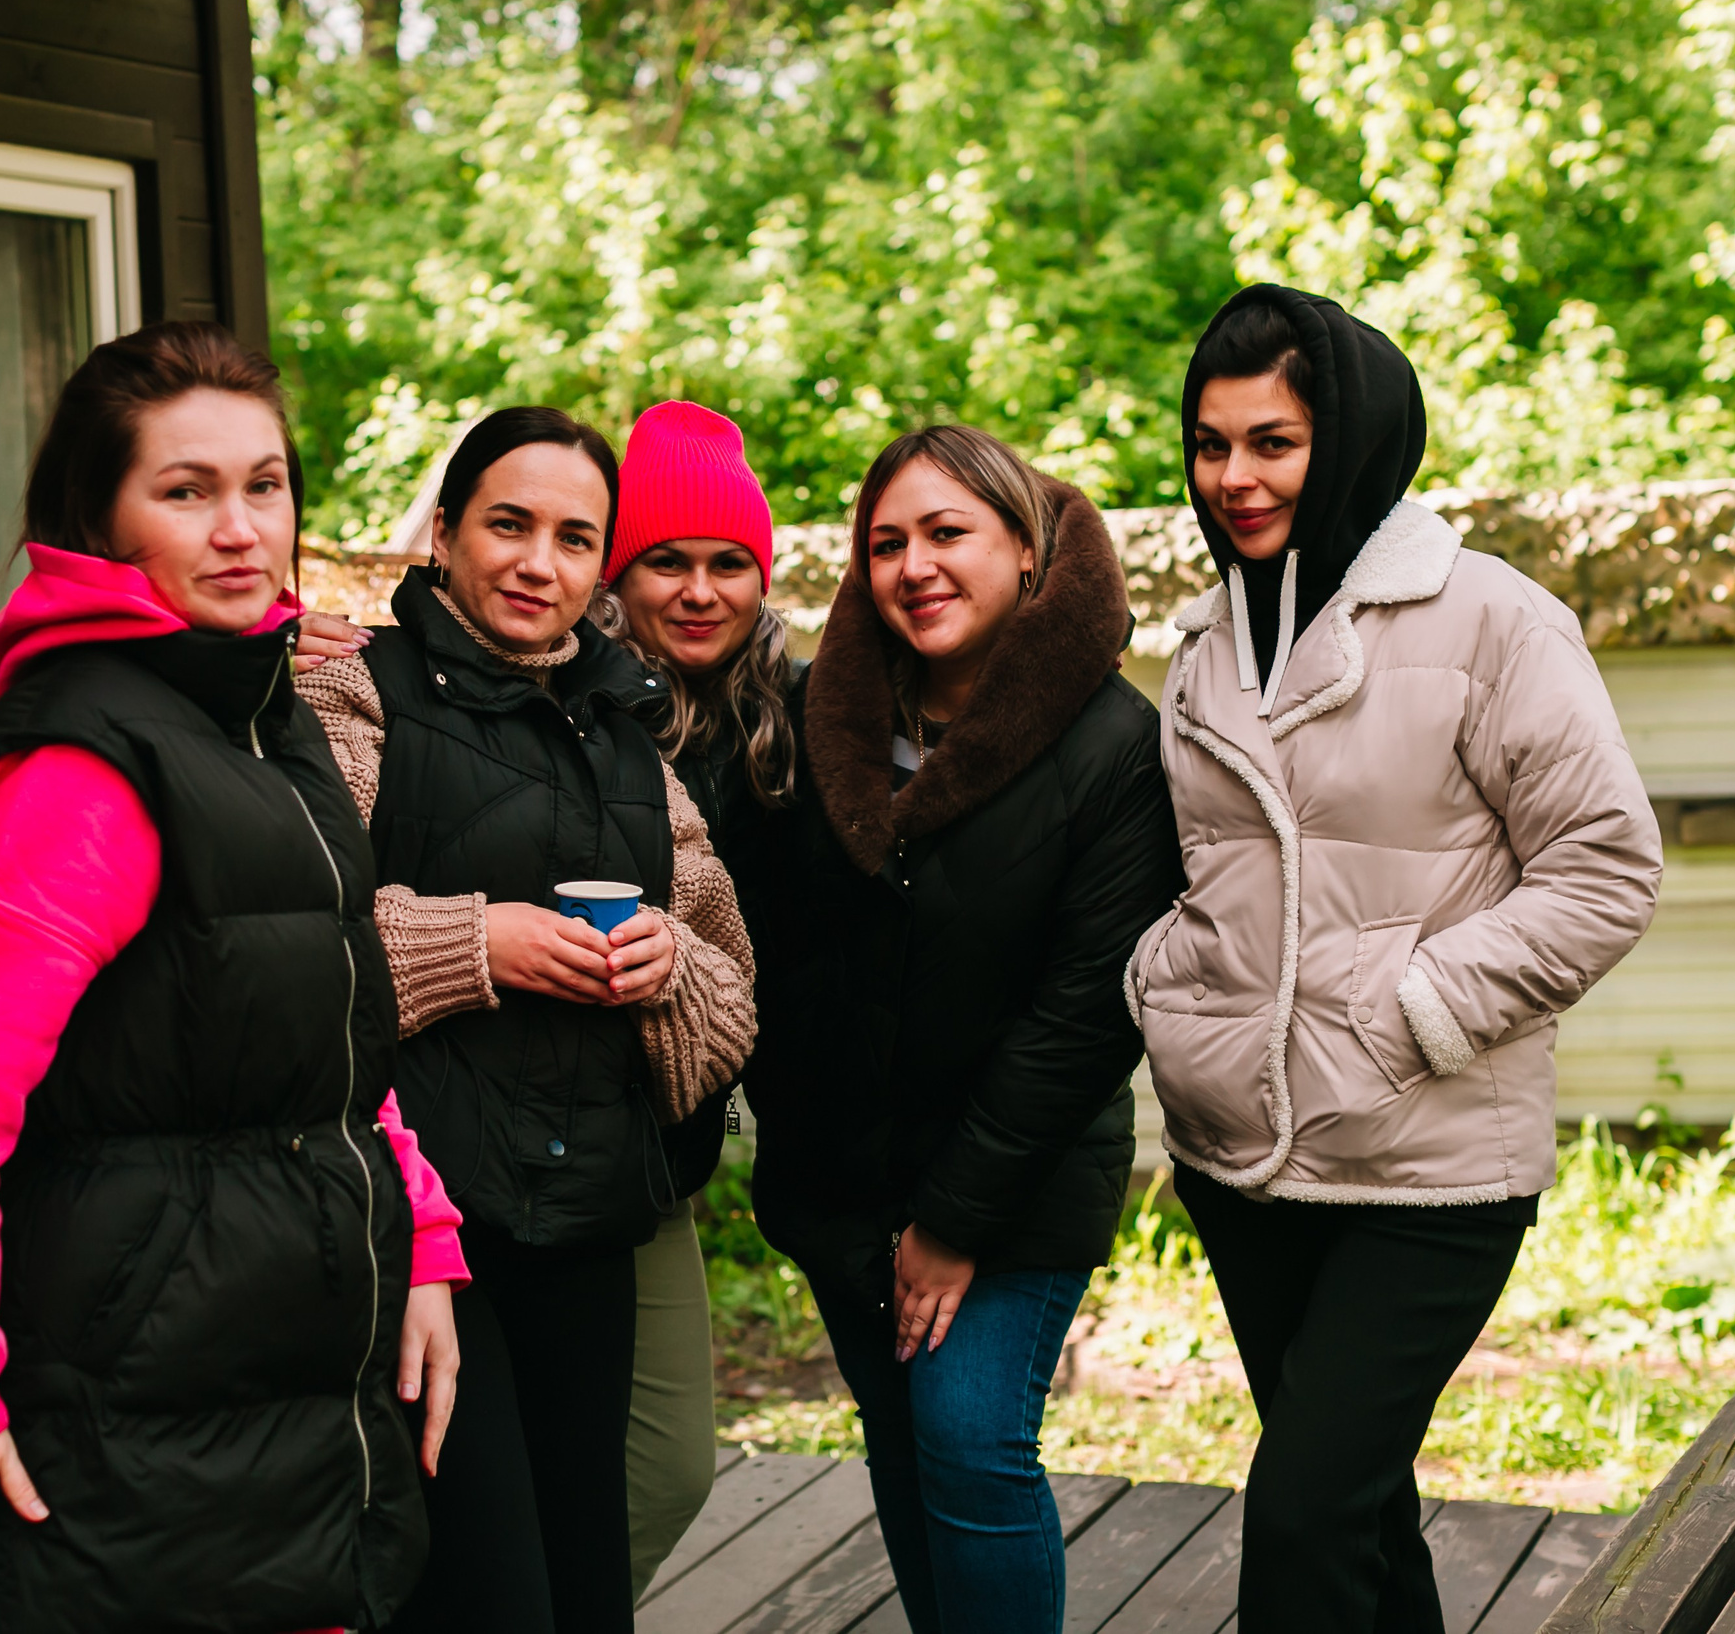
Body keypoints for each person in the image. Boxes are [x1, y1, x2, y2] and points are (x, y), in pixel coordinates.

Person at [0, 322, 468, 1634]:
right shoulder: (85, 772)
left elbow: (334, 1032)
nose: (241, 525)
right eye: (186, 490)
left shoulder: (268, 720)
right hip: (131, 1411)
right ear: (99, 519)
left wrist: (415, 1228)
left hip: (282, 1389)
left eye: (265, 483)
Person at [1130, 284, 1662, 1632]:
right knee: (1360, 1513)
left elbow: (1604, 870)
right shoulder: (1202, 646)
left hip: (1429, 1160)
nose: (1234, 476)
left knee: (1304, 1512)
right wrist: (1171, 990)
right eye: (1210, 442)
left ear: (1354, 436)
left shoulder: (1492, 620)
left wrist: (1415, 1008)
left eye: (1273, 440)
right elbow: (1202, 873)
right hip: (1245, 1158)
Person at [295, 405, 757, 1634]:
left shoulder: (632, 747)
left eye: (571, 537)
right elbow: (287, 953)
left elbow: (730, 1009)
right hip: (426, 1239)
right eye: (506, 523)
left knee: (586, 1590)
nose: (535, 562)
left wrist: (665, 971)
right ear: (443, 532)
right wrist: (474, 943)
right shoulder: (352, 706)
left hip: (587, 1231)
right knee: (480, 1592)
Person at [746, 425, 1183, 1634]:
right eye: (885, 543)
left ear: (1028, 554)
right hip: (843, 1176)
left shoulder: (1110, 744)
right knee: (902, 1447)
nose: (913, 567)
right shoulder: (815, 716)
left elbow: (1088, 1007)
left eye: (947, 533)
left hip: (1012, 1181)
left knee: (969, 1443)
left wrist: (948, 1224)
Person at [588, 401, 801, 1597]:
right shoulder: (567, 697)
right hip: (536, 1133)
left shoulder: (780, 719)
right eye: (666, 559)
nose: (699, 589)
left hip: (664, 1149)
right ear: (618, 572)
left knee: (664, 1468)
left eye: (730, 563)